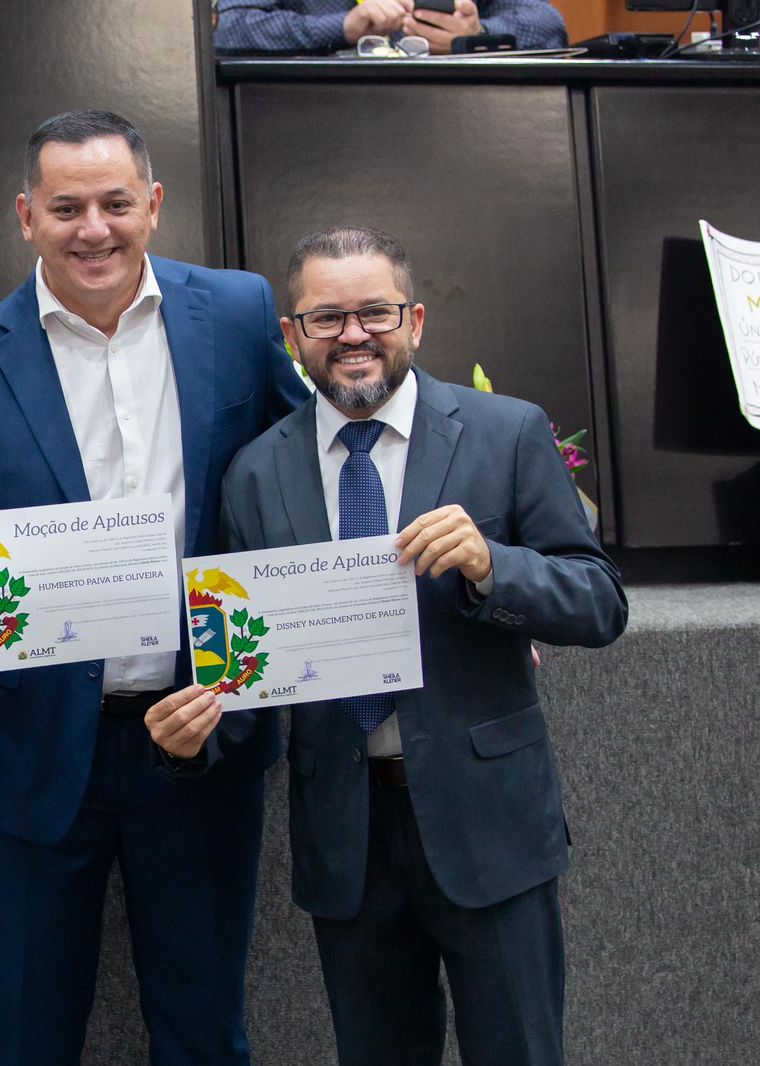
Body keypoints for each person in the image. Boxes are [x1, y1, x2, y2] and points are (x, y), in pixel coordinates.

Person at [147, 225, 628, 1066]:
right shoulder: (255, 473)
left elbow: (599, 601)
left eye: (375, 311)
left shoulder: (506, 433)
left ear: (415, 320)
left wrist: (493, 568)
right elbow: (236, 657)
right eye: (326, 318)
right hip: (348, 832)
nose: (354, 335)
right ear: (292, 336)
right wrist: (196, 732)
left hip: (490, 825)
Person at [0, 110, 307, 1065]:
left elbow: (312, 464)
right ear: (25, 215)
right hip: (34, 753)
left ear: (154, 206)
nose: (95, 229)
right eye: (67, 206)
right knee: (27, 1037)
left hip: (201, 736)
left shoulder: (241, 316)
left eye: (117, 203)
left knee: (205, 1033)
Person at [213, 0, 568, 54]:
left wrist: (477, 37)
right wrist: (342, 27)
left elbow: (548, 24)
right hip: (318, 120)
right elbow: (228, 29)